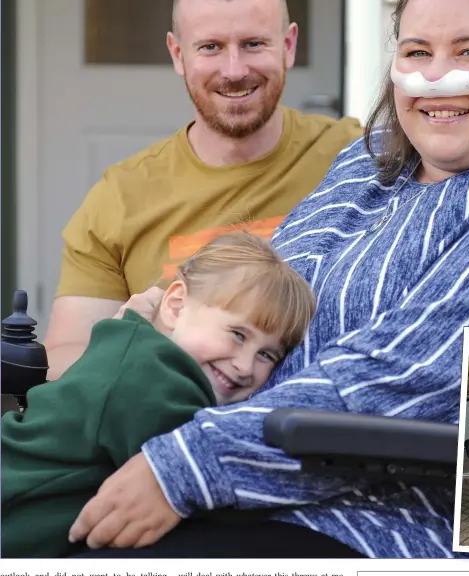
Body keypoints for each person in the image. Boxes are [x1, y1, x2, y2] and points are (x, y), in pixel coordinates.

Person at [64, 0, 469, 558]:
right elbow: (268, 295)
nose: (438, 77)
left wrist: (183, 466)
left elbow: (404, 383)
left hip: (365, 522)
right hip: (233, 471)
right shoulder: (372, 159)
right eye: (418, 52)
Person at [44, 0, 363, 380]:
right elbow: (65, 353)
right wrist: (135, 350)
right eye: (210, 47)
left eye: (254, 44)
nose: (234, 70)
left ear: (288, 45)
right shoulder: (119, 198)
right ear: (178, 54)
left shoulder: (357, 155)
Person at [1, 231, 316, 558]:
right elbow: (210, 493)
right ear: (176, 305)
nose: (245, 365)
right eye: (238, 334)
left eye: (267, 355)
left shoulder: (133, 348)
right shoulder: (154, 383)